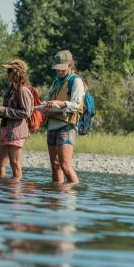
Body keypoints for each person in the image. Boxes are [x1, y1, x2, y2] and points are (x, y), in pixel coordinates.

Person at [41, 50, 84, 184]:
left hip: (66, 126)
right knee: (55, 165)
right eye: (57, 69)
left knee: (65, 165)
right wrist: (43, 104)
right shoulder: (55, 82)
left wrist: (61, 104)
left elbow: (76, 105)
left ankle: (73, 197)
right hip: (52, 125)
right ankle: (56, 199)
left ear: (70, 65)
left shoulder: (76, 82)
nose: (59, 72)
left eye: (62, 69)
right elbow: (48, 98)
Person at [0, 59, 34, 180]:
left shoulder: (22, 90)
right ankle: (3, 193)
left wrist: (4, 110)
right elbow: (9, 111)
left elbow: (26, 112)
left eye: (9, 71)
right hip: (6, 129)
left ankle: (15, 196)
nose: (7, 73)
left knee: (15, 164)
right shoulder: (11, 90)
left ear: (16, 72)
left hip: (16, 132)